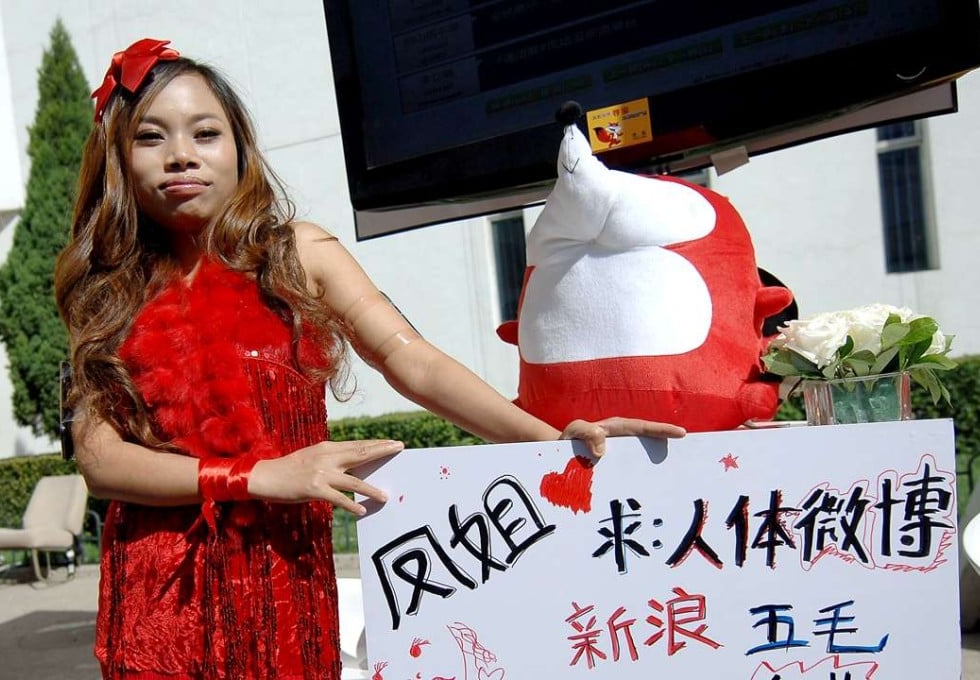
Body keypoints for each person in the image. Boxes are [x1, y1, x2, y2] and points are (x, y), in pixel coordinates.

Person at [54, 38, 685, 680]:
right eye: (151, 137)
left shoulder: (297, 255)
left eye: (205, 132)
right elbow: (99, 461)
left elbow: (411, 360)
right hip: (157, 600)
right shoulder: (110, 289)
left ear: (240, 150)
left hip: (283, 587)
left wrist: (553, 442)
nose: (181, 154)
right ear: (119, 160)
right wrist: (252, 476)